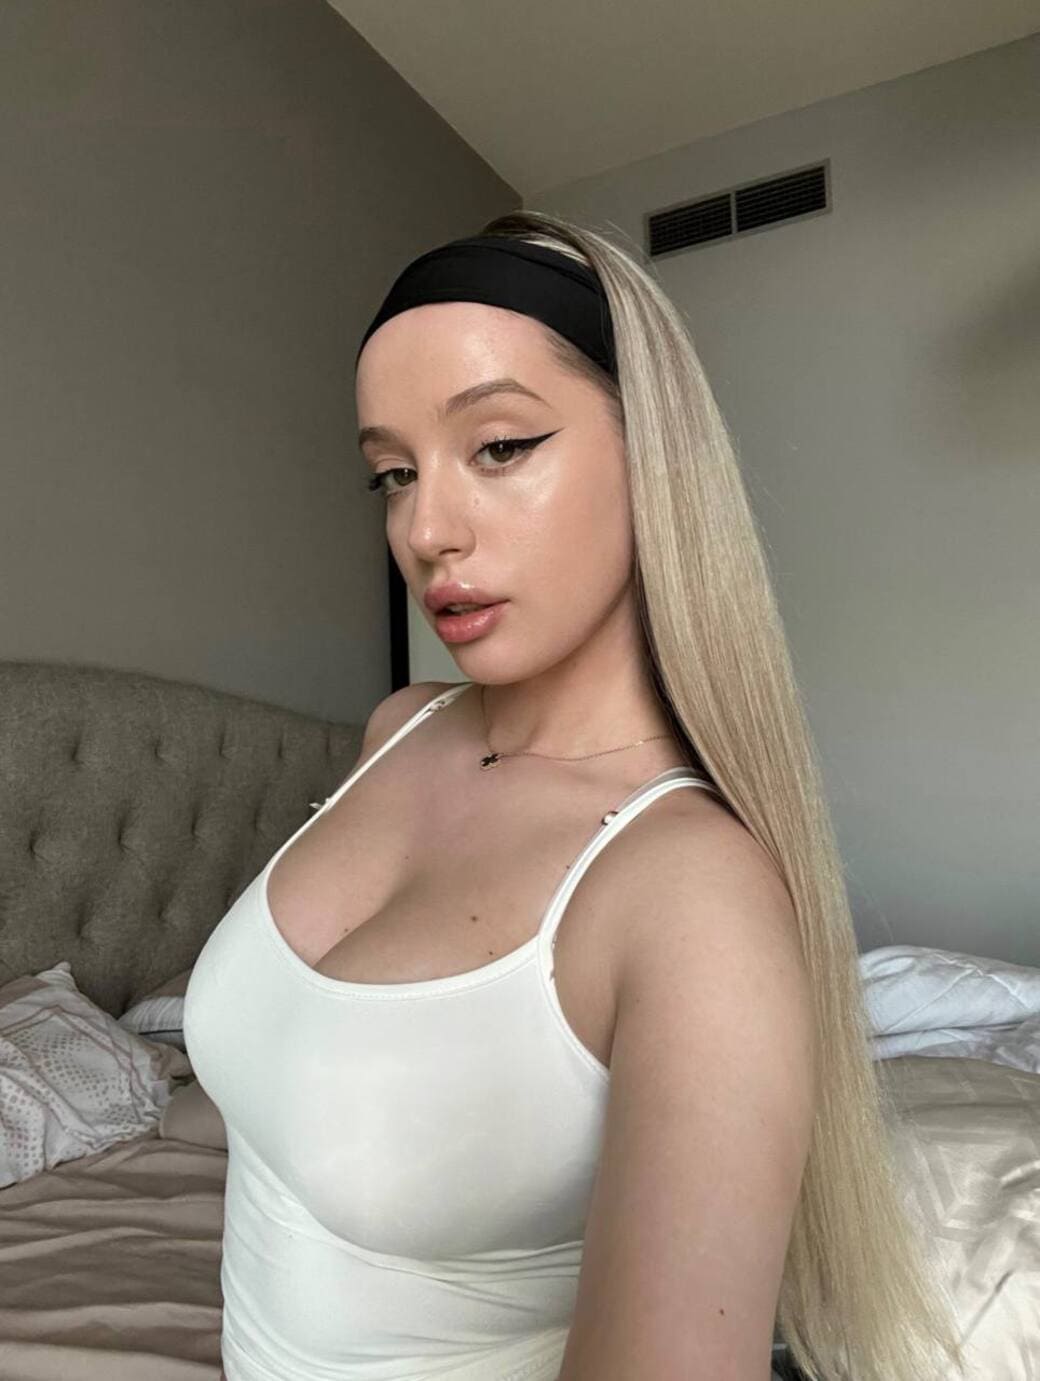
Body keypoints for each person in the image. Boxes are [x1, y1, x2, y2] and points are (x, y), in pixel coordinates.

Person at [185, 210, 964, 1381]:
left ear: (651, 456)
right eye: (392, 472)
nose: (424, 530)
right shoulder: (400, 728)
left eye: (498, 447)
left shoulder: (689, 893)